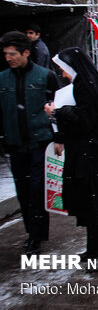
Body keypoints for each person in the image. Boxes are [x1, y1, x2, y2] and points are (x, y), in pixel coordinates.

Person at [43, 47, 98, 263]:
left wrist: (57, 112)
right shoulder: (84, 85)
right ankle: (94, 248)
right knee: (89, 203)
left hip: (96, 156)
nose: (63, 75)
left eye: (63, 70)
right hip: (88, 155)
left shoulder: (86, 88)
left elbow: (85, 119)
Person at [0, 31, 59, 256]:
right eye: (5, 54)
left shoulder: (45, 76)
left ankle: (37, 235)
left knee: (37, 190)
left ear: (26, 52)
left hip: (40, 143)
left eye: (12, 53)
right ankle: (30, 231)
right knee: (23, 191)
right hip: (16, 145)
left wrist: (57, 137)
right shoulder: (2, 79)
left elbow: (58, 108)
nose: (8, 58)